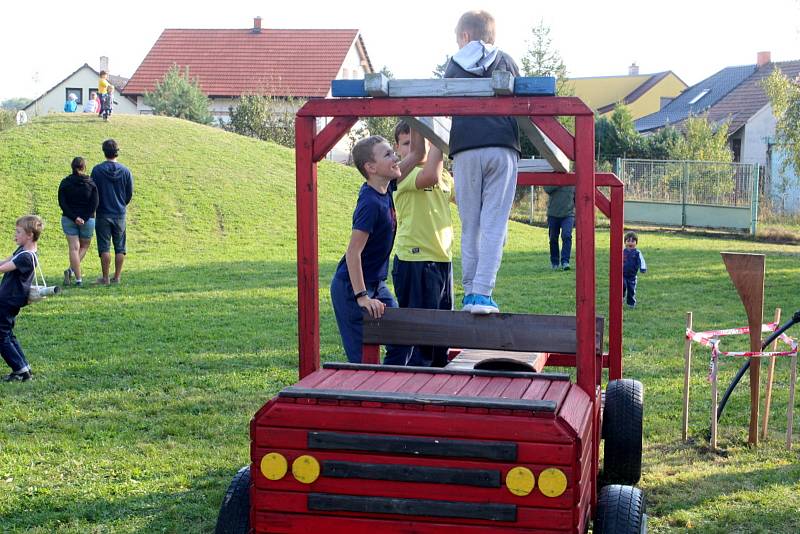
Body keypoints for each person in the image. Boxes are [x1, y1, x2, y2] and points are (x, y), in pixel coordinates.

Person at [444, 10, 520, 314]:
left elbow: (444, 101)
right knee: (494, 224)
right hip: (502, 146)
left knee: (470, 225)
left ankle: (469, 291)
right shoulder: (507, 61)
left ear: (464, 37)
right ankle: (482, 293)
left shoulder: (455, 63)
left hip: (465, 148)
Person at [330, 134, 423, 364]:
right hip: (351, 289)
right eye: (388, 155)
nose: (395, 157)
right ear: (371, 167)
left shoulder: (387, 186)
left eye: (393, 152)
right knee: (363, 361)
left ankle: (387, 392)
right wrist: (361, 297)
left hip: (376, 285)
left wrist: (416, 115)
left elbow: (418, 154)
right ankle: (371, 394)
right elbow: (353, 252)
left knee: (402, 339)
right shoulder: (370, 203)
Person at [391, 121, 455, 367]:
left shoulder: (445, 175)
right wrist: (440, 135)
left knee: (442, 334)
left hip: (442, 260)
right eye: (406, 144)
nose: (413, 147)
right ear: (398, 148)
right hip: (415, 261)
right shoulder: (400, 174)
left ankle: (438, 387)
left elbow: (464, 196)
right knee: (422, 338)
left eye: (419, 141)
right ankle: (419, 390)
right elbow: (430, 176)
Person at [0, 215, 44, 382]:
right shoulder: (21, 251)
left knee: (1, 336)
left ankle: (20, 370)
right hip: (8, 298)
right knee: (7, 334)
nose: (15, 235)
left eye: (18, 232)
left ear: (30, 235)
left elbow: (3, 268)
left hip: (8, 300)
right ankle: (24, 367)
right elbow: (4, 262)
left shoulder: (27, 256)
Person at [90, 139, 133, 285]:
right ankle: (117, 277)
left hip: (102, 213)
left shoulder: (97, 170)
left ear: (104, 152)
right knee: (120, 247)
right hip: (119, 213)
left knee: (104, 247)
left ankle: (106, 278)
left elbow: (93, 191)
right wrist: (121, 204)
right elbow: (129, 194)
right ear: (117, 152)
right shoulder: (126, 171)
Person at [59, 157, 99, 287]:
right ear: (84, 167)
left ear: (72, 167)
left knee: (73, 248)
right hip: (87, 220)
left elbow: (62, 203)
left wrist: (74, 217)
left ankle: (78, 279)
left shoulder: (65, 183)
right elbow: (94, 204)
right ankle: (70, 270)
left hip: (68, 219)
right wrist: (84, 217)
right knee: (84, 246)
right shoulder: (90, 183)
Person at [544, 185, 575, 270]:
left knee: (567, 236)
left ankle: (565, 262)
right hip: (553, 214)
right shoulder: (553, 179)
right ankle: (555, 263)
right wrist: (558, 182)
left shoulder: (572, 180)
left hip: (568, 215)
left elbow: (578, 197)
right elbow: (547, 188)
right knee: (553, 238)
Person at [623, 231, 647, 308]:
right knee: (622, 286)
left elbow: (642, 261)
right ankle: (621, 297)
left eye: (633, 241)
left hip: (632, 276)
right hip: (622, 274)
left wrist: (643, 268)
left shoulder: (637, 253)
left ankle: (631, 303)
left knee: (631, 290)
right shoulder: (622, 252)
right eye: (628, 241)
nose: (630, 243)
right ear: (625, 242)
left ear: (636, 243)